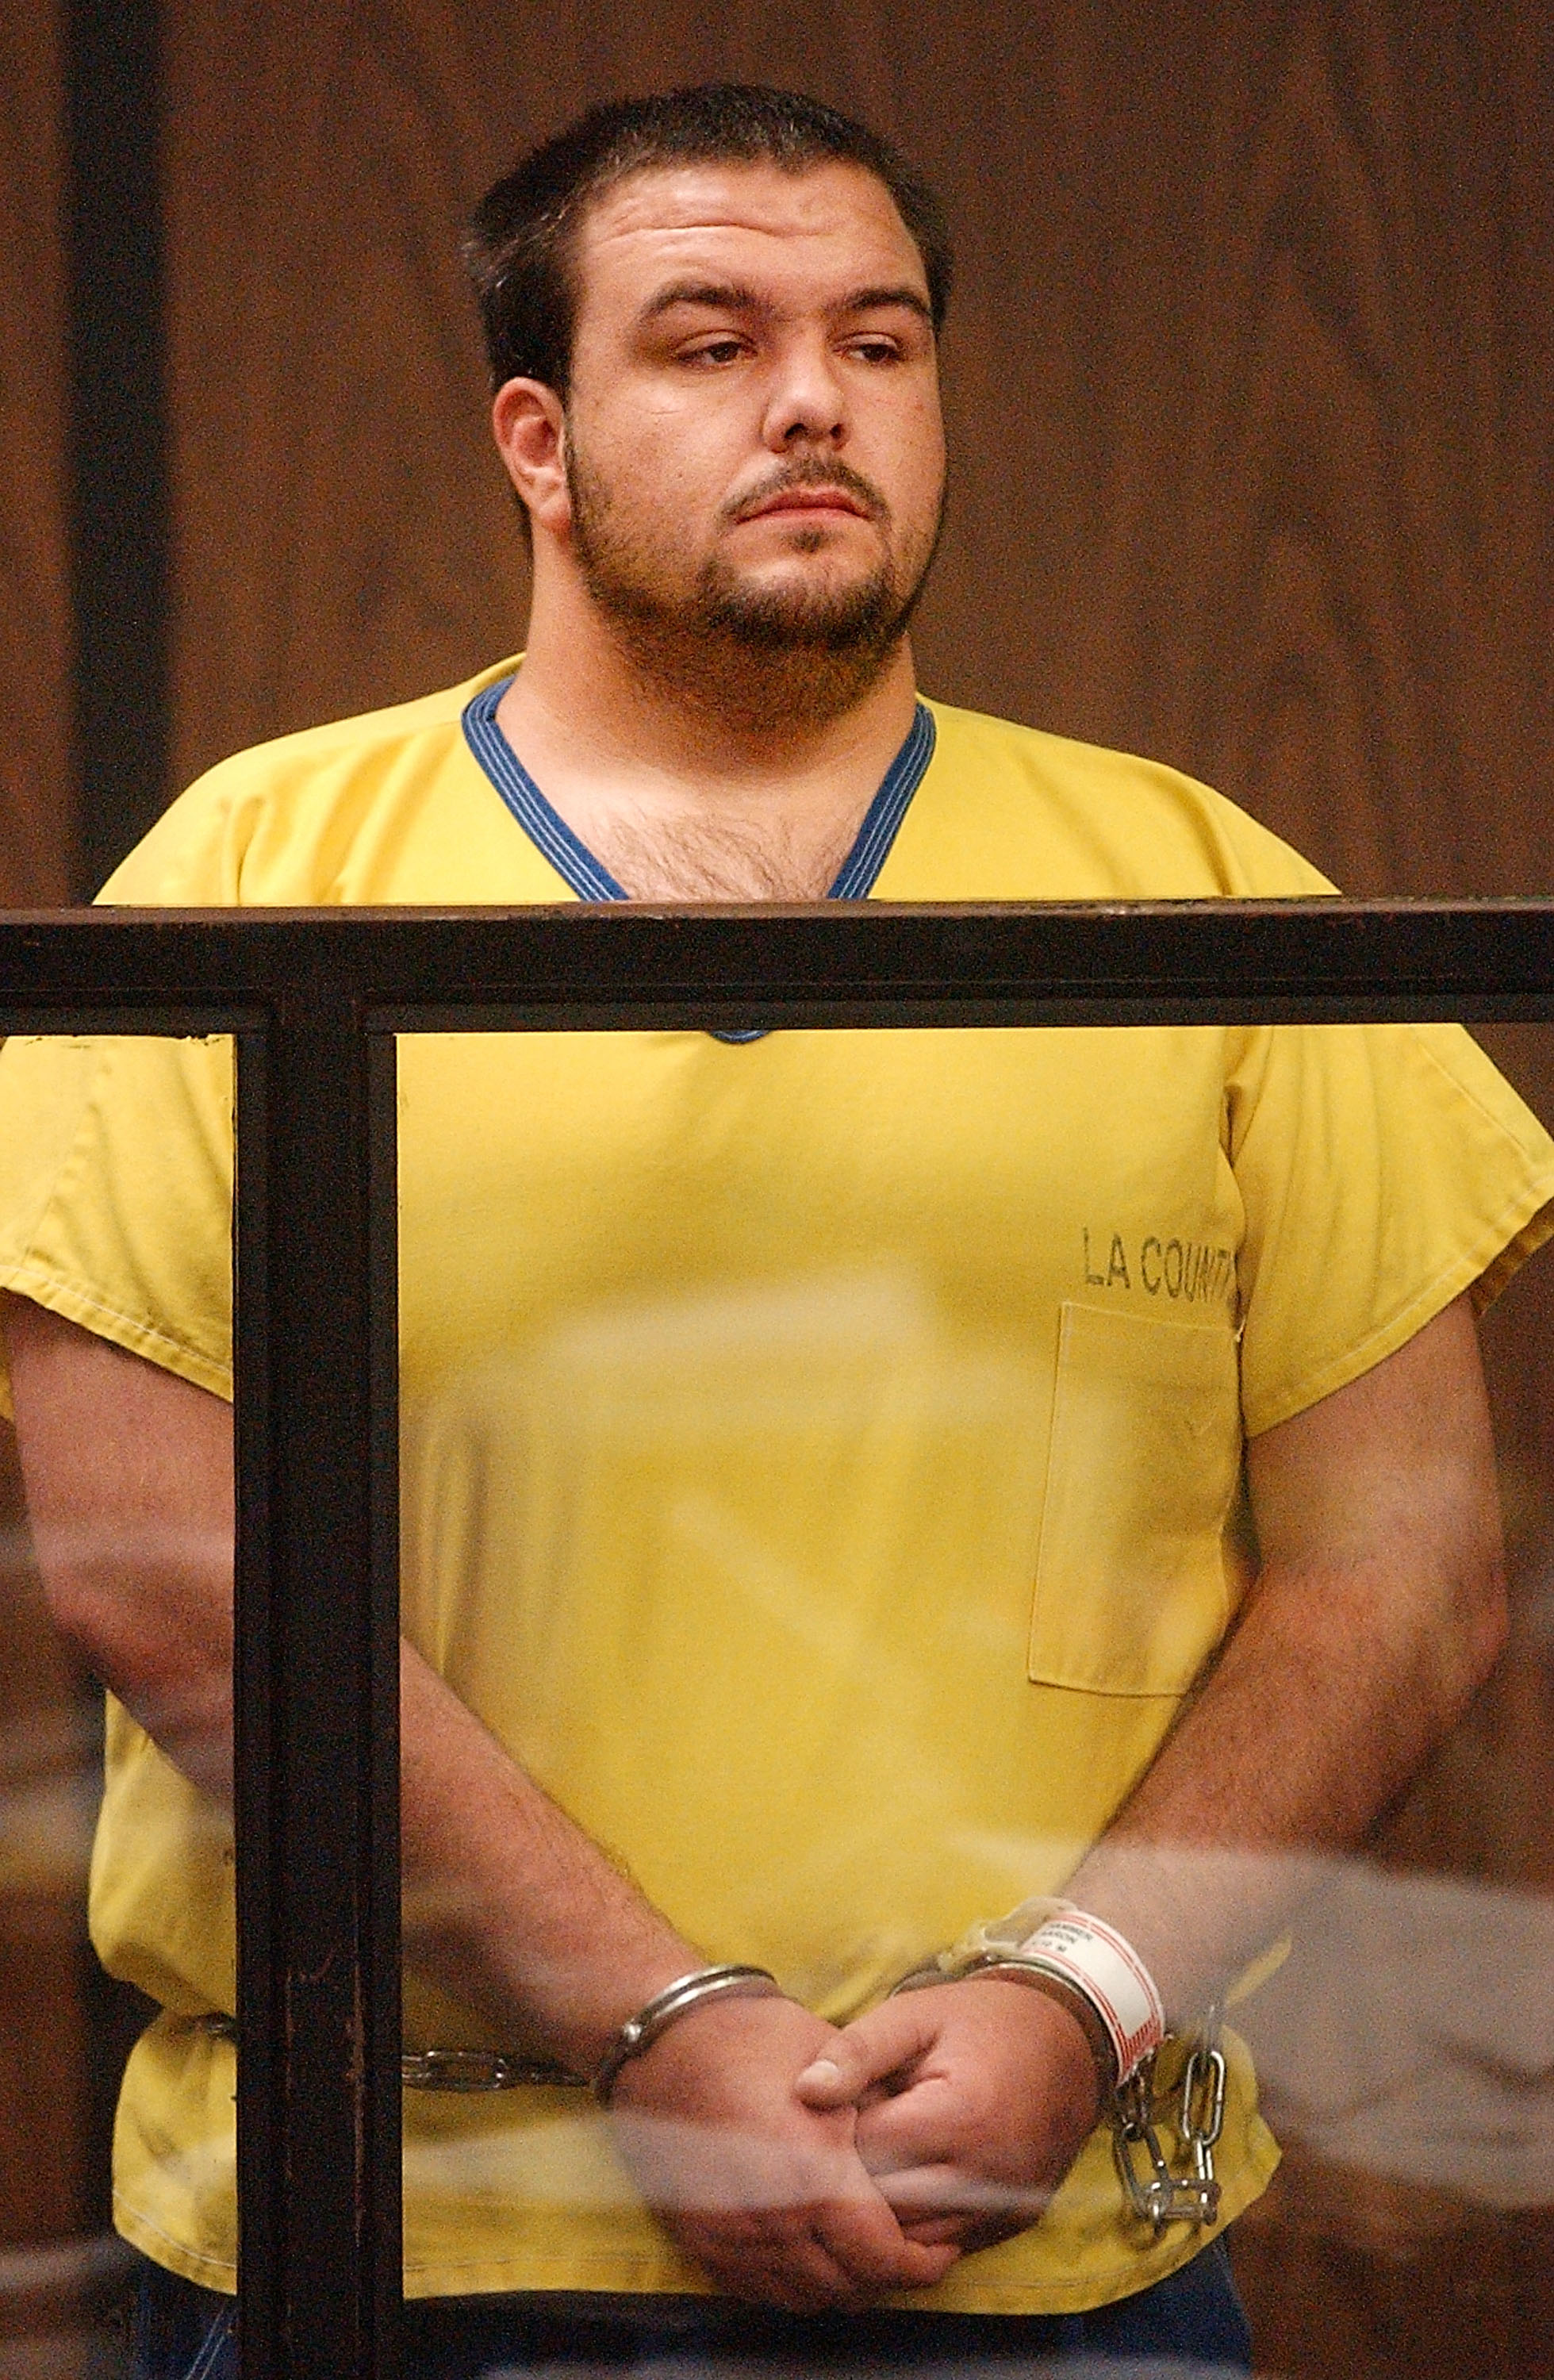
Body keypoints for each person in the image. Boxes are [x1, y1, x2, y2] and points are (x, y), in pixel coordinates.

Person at [1, 83, 1550, 2380]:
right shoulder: (254, 870)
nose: (817, 399)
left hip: (1048, 2221)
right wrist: (660, 2022)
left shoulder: (1203, 891)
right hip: (391, 2232)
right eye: (711, 342)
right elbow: (155, 1562)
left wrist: (1079, 1997)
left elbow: (1403, 1571)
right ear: (536, 436)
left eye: (883, 342)